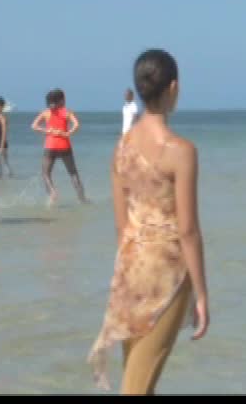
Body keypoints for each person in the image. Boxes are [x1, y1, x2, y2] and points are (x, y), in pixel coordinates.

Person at [88, 49, 209, 394]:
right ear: (173, 88)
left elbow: (121, 226)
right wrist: (201, 294)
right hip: (167, 273)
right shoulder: (181, 151)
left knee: (138, 378)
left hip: (130, 269)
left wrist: (127, 276)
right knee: (137, 388)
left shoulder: (121, 148)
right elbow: (188, 230)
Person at [31, 89, 87, 204]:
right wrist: (68, 133)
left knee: (46, 173)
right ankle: (82, 199)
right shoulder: (67, 112)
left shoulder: (46, 112)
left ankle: (52, 193)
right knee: (73, 173)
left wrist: (47, 131)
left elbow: (34, 126)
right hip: (64, 144)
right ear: (61, 100)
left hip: (50, 145)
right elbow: (77, 125)